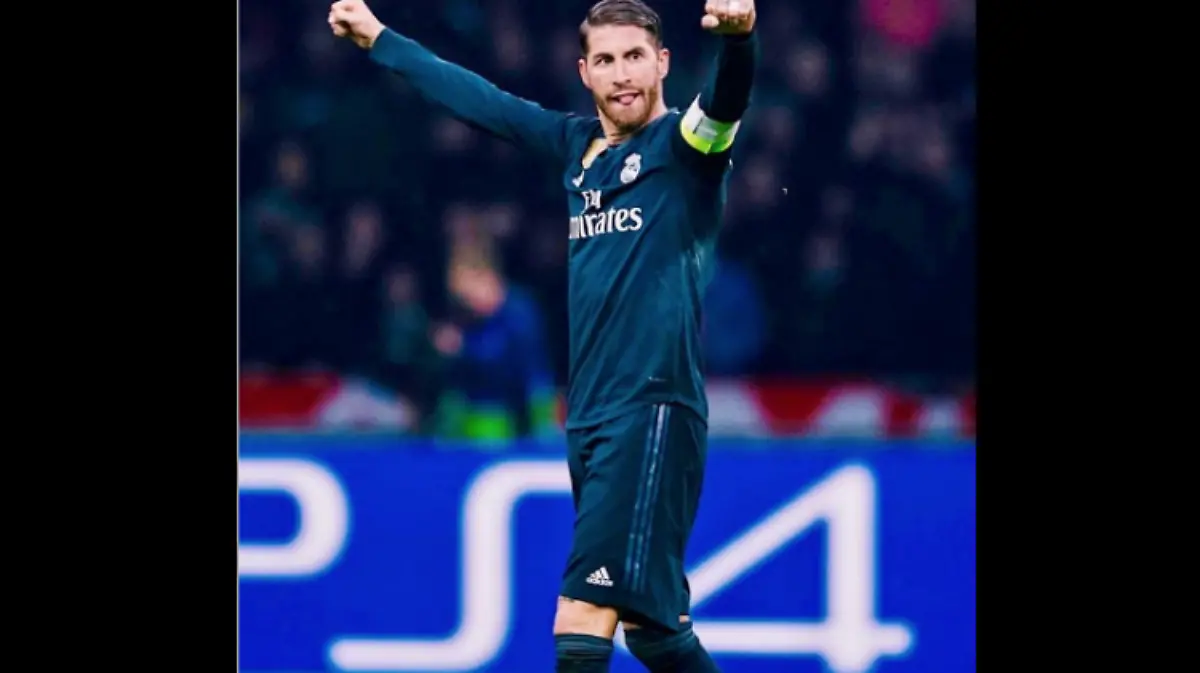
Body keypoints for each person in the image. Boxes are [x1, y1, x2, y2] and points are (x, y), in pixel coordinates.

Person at [327, 1, 759, 670]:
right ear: (585, 72)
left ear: (663, 63)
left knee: (581, 613)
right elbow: (483, 103)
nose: (622, 74)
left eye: (635, 57)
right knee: (654, 629)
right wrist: (382, 39)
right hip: (590, 416)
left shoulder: (683, 150)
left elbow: (725, 104)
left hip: (651, 410)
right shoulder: (574, 146)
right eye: (606, 60)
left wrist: (738, 42)